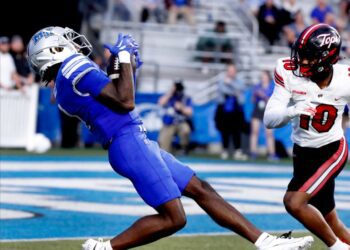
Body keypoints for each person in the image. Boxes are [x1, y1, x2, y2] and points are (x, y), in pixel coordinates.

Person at [27, 26, 314, 250]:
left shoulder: (63, 86)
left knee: (201, 189)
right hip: (129, 142)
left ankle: (263, 241)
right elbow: (125, 101)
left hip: (130, 142)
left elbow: (119, 96)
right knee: (174, 218)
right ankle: (107, 246)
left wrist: (128, 65)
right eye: (67, 41)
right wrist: (123, 58)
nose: (76, 44)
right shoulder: (73, 66)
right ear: (53, 50)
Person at [264, 23, 350, 250]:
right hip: (302, 152)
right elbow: (269, 119)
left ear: (326, 58)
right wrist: (293, 110)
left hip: (332, 149)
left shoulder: (346, 78)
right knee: (330, 218)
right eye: (300, 55)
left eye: (309, 57)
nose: (301, 62)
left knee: (293, 201)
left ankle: (337, 247)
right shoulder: (287, 69)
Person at [214, 63, 248, 160]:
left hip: (236, 110)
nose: (231, 73)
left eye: (233, 71)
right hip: (224, 110)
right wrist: (235, 91)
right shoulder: (221, 81)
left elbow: (242, 90)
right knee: (225, 130)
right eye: (230, 71)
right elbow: (224, 90)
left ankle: (238, 150)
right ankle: (225, 150)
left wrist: (230, 84)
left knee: (236, 130)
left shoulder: (239, 81)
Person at [158, 79, 193, 154]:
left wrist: (182, 107)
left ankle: (183, 147)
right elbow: (160, 103)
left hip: (181, 122)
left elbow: (190, 112)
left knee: (186, 130)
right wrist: (170, 92)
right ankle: (167, 152)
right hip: (169, 123)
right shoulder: (169, 96)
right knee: (164, 145)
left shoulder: (185, 97)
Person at [249, 70, 278, 161]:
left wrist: (263, 96)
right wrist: (255, 95)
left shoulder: (272, 87)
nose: (263, 78)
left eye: (264, 76)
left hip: (268, 110)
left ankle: (271, 154)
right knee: (254, 131)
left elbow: (272, 100)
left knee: (269, 133)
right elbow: (253, 100)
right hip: (258, 110)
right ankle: (253, 152)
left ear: (268, 77)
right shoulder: (257, 86)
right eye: (262, 76)